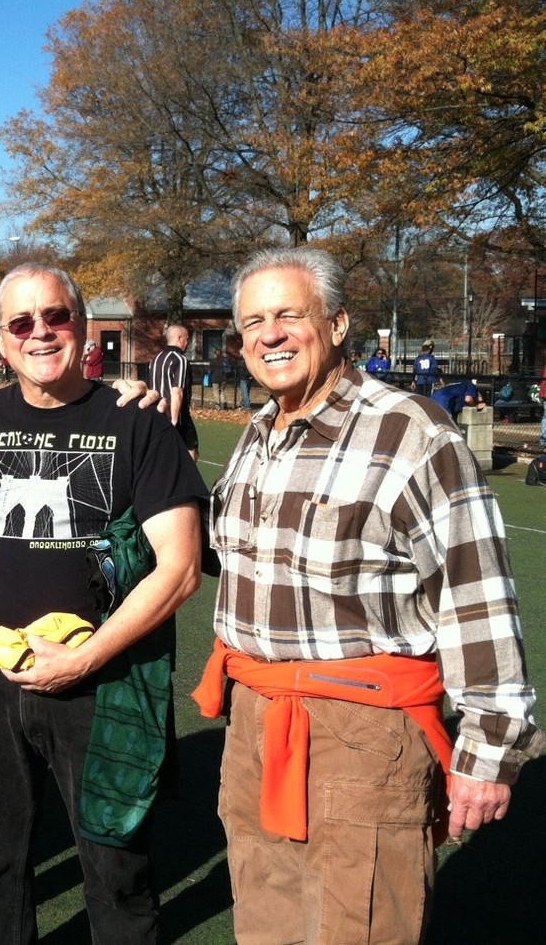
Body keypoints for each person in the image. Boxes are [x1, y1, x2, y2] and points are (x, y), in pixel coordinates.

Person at [193, 247, 544, 944]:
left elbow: (474, 593)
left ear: (336, 323)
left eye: (289, 314)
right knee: (266, 924)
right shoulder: (259, 434)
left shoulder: (409, 431)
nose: (269, 335)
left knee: (360, 928)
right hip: (254, 722)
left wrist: (487, 751)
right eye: (253, 321)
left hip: (363, 735)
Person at [0, 262, 207, 945]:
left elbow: (179, 572)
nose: (40, 333)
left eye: (56, 316)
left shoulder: (138, 422)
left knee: (116, 867)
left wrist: (82, 658)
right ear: (0, 341)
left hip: (105, 683)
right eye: (21, 323)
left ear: (83, 328)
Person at [149, 324, 199, 460]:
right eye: (187, 339)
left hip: (156, 414)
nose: (188, 343)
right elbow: (177, 392)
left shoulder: (155, 359)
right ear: (179, 338)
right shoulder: (180, 360)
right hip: (177, 418)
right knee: (191, 452)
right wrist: (174, 421)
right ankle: (187, 480)